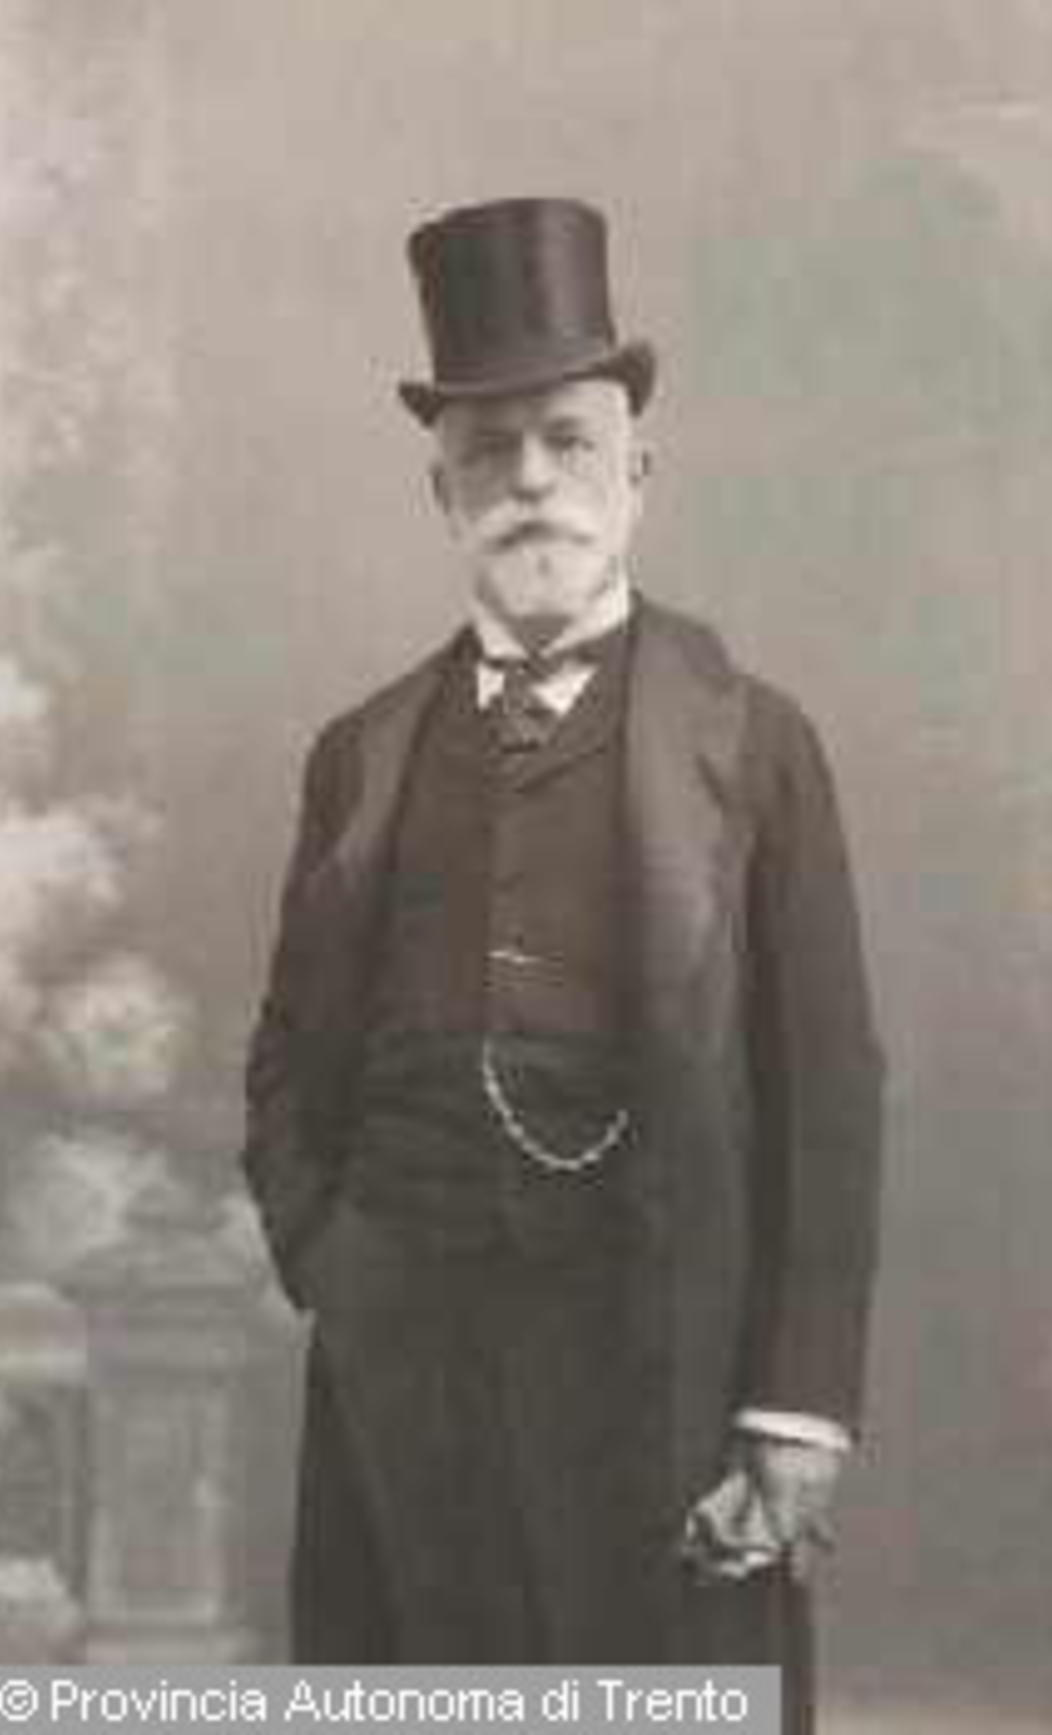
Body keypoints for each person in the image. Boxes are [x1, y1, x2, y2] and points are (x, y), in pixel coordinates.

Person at [242, 197, 884, 1729]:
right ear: (442, 491)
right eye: (489, 452)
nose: (530, 482)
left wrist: (796, 1402)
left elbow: (827, 1092)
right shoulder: (360, 755)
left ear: (634, 475)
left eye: (567, 443)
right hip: (405, 1363)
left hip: (660, 1360)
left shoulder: (754, 742)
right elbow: (286, 1055)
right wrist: (330, 1256)